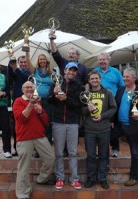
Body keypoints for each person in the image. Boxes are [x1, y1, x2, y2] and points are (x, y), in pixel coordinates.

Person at [13, 81, 55, 199]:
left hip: (39, 136)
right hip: (24, 138)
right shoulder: (18, 101)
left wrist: (40, 112)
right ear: (22, 89)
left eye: (32, 87)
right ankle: (22, 194)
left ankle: (41, 179)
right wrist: (30, 104)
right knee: (24, 167)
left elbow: (46, 121)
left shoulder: (38, 101)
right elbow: (22, 118)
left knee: (50, 158)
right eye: (27, 87)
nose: (30, 89)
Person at [112, 67, 138, 186]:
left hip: (134, 126)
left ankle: (134, 177)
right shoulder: (120, 90)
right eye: (124, 76)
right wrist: (112, 120)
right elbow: (115, 106)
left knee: (135, 153)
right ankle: (103, 169)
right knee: (105, 138)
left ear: (134, 78)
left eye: (127, 76)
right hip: (119, 125)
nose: (124, 79)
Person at [48, 62, 83, 190]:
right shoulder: (56, 82)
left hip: (72, 122)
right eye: (70, 70)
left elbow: (79, 104)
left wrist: (65, 99)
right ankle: (60, 178)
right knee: (58, 152)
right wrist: (54, 93)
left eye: (74, 71)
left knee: (73, 152)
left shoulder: (78, 86)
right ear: (65, 70)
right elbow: (49, 100)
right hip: (58, 122)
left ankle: (74, 179)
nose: (72, 72)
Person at [82, 71, 117, 189]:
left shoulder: (108, 93)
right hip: (90, 130)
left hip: (104, 129)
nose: (94, 80)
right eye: (92, 79)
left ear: (100, 79)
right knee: (91, 155)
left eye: (96, 78)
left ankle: (102, 178)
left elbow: (113, 108)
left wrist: (103, 116)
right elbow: (80, 111)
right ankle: (91, 178)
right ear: (89, 81)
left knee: (103, 155)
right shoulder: (85, 94)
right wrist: (87, 109)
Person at [93, 52, 124, 158]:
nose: (102, 61)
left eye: (103, 59)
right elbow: (89, 85)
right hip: (99, 102)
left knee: (113, 126)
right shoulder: (95, 72)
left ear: (108, 60)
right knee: (98, 126)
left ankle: (115, 149)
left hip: (113, 103)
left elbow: (122, 87)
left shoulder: (115, 72)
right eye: (100, 60)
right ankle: (99, 149)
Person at [26, 50, 54, 144]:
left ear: (47, 61)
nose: (42, 61)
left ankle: (48, 143)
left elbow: (56, 84)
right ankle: (38, 148)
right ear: (38, 61)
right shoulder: (35, 71)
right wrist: (27, 52)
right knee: (38, 122)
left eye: (44, 59)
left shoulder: (52, 72)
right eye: (40, 59)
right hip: (37, 100)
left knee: (48, 121)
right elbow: (28, 62)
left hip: (48, 101)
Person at [8, 55, 31, 156]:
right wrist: (10, 61)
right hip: (17, 101)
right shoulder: (15, 71)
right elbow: (10, 75)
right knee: (16, 125)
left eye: (24, 62)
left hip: (28, 101)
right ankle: (16, 147)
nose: (23, 64)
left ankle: (30, 148)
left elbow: (25, 78)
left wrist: (16, 69)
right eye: (20, 62)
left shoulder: (29, 72)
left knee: (29, 124)